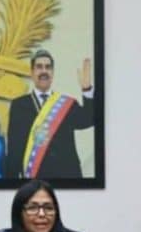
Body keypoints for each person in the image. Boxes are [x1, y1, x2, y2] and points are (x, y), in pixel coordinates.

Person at [5, 49, 95, 180]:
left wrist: (87, 90)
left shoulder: (67, 104)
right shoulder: (19, 105)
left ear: (52, 73)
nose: (44, 71)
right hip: (35, 178)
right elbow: (14, 147)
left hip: (67, 176)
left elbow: (89, 118)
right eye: (39, 67)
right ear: (32, 72)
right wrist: (11, 182)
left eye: (48, 67)